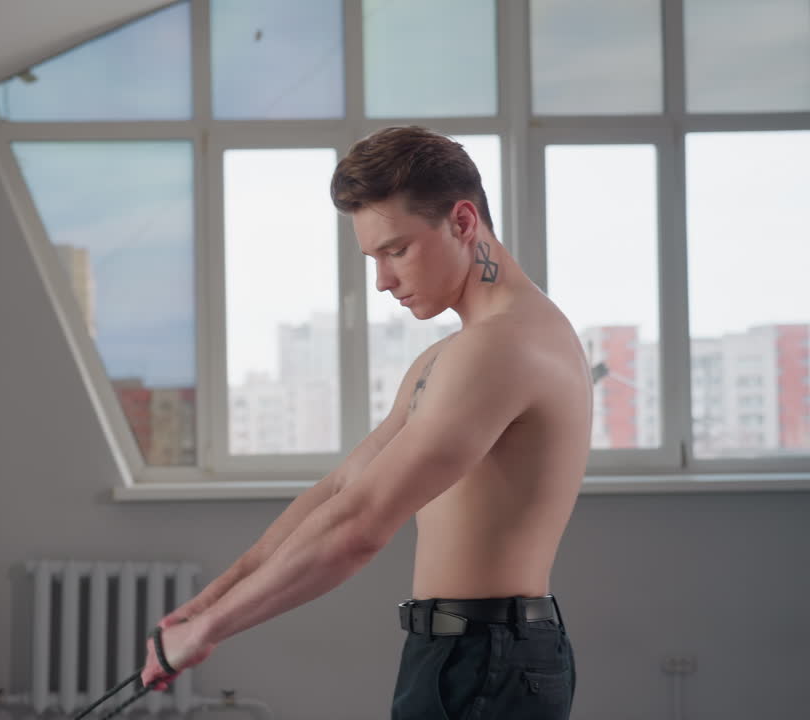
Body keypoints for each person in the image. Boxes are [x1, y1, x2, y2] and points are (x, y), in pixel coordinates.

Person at [139, 126, 591, 719]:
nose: (382, 280)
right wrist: (207, 606)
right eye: (373, 257)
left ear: (462, 222)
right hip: (457, 655)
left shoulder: (504, 347)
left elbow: (359, 528)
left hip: (489, 663)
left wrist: (209, 631)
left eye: (396, 250)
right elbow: (342, 489)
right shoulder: (448, 356)